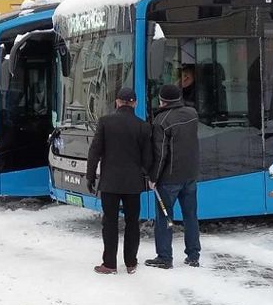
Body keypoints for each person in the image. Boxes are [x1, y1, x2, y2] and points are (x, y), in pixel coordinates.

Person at [86, 86, 153, 275]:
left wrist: (90, 176)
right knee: (133, 222)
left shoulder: (105, 122)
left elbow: (94, 152)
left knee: (110, 222)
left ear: (117, 102)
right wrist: (146, 175)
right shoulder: (143, 126)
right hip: (133, 183)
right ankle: (131, 262)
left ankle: (109, 264)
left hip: (110, 183)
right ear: (135, 103)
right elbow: (148, 159)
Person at [146, 83, 201, 268]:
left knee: (164, 218)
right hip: (190, 174)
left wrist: (153, 177)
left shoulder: (161, 121)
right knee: (190, 216)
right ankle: (193, 255)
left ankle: (164, 256)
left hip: (169, 179)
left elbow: (161, 154)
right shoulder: (192, 114)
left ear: (162, 100)